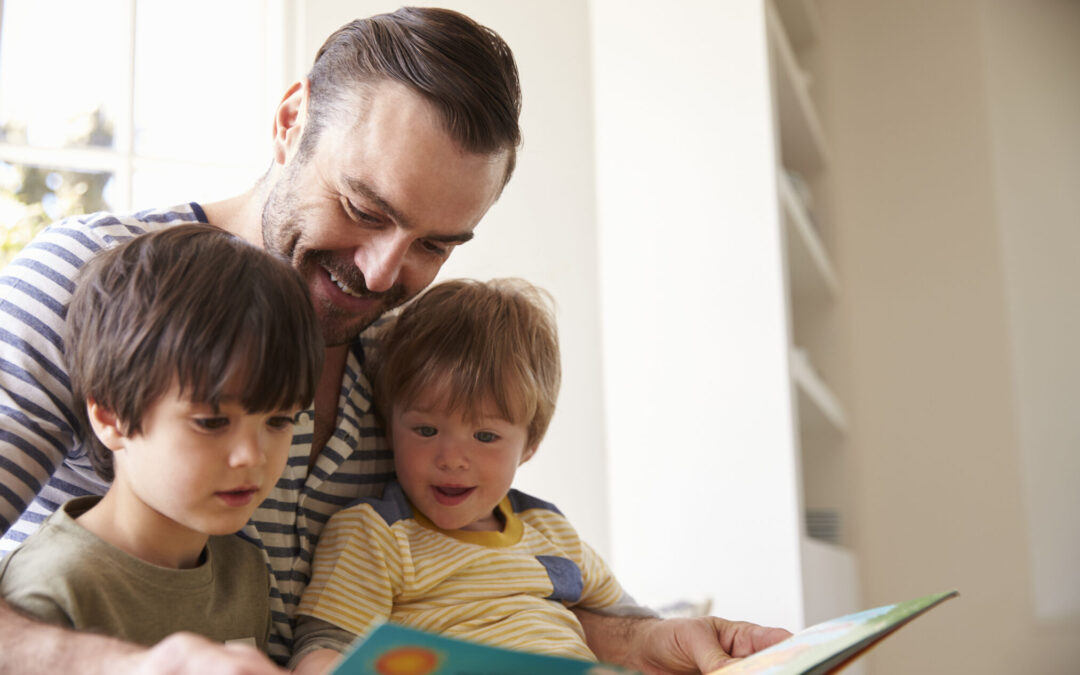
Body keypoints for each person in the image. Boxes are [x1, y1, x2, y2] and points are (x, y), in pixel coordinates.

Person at [0, 7, 789, 674]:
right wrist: (131, 665)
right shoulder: (89, 282)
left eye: (434, 245)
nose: (382, 277)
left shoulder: (412, 365)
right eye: (364, 207)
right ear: (289, 123)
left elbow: (484, 587)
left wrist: (650, 639)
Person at [289, 278, 653, 674]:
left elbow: (636, 625)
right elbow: (326, 649)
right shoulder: (376, 534)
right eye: (426, 431)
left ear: (530, 444)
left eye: (485, 436)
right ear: (389, 427)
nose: (452, 459)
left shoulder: (550, 529)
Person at [0, 224, 322, 652]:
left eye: (280, 421)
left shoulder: (245, 570)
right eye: (211, 422)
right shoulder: (49, 590)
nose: (251, 456)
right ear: (111, 417)